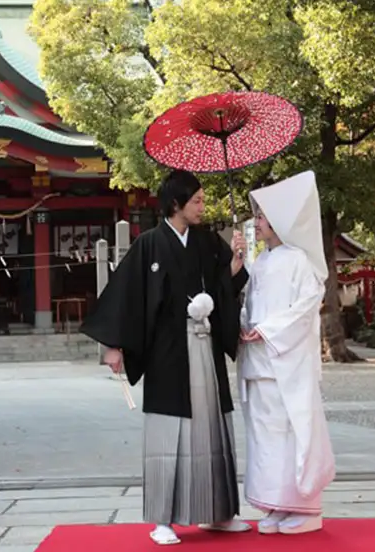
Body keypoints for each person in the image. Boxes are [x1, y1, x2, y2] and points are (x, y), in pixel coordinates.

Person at [80, 170, 251, 545]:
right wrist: (113, 345)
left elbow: (226, 286)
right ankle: (163, 519)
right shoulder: (150, 245)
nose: (203, 207)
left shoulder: (206, 241)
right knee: (168, 434)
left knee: (211, 428)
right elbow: (125, 295)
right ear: (176, 204)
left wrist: (237, 261)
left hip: (204, 346)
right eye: (197, 201)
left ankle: (218, 513)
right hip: (167, 353)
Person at [238, 170, 335, 535]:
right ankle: (276, 503)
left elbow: (307, 306)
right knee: (265, 434)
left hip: (286, 359)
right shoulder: (260, 261)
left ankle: (307, 506)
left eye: (262, 215)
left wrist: (267, 330)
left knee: (292, 430)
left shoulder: (299, 260)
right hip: (260, 360)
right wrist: (245, 324)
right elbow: (249, 303)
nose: (257, 222)